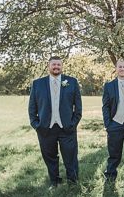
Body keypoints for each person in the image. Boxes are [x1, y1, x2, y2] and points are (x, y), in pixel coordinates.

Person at [27, 56, 83, 189]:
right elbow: (32, 107)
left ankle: (73, 182)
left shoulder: (72, 82)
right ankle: (54, 182)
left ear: (62, 66)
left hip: (67, 128)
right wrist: (36, 125)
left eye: (58, 64)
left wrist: (73, 124)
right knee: (50, 157)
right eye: (53, 64)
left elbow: (78, 107)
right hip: (45, 128)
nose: (56, 67)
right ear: (48, 66)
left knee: (71, 156)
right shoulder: (37, 83)